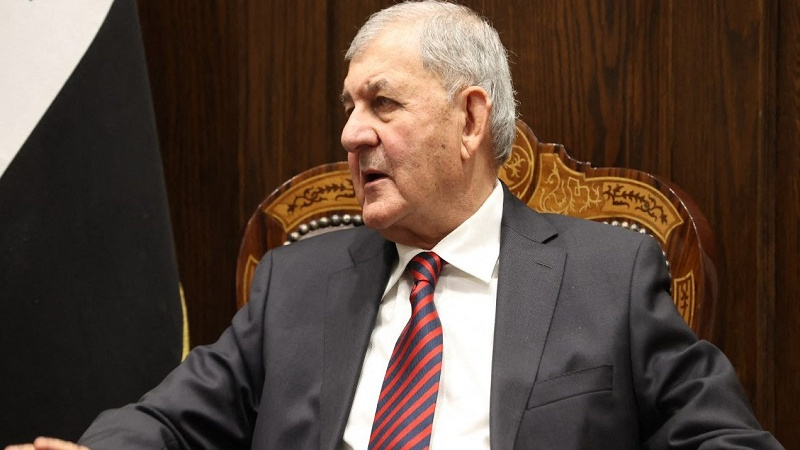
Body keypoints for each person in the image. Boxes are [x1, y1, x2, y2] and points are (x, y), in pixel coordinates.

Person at [7, 1, 784, 449]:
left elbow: (727, 439)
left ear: (470, 119)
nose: (351, 133)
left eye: (382, 103)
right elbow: (173, 422)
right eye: (349, 106)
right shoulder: (298, 281)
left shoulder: (607, 276)